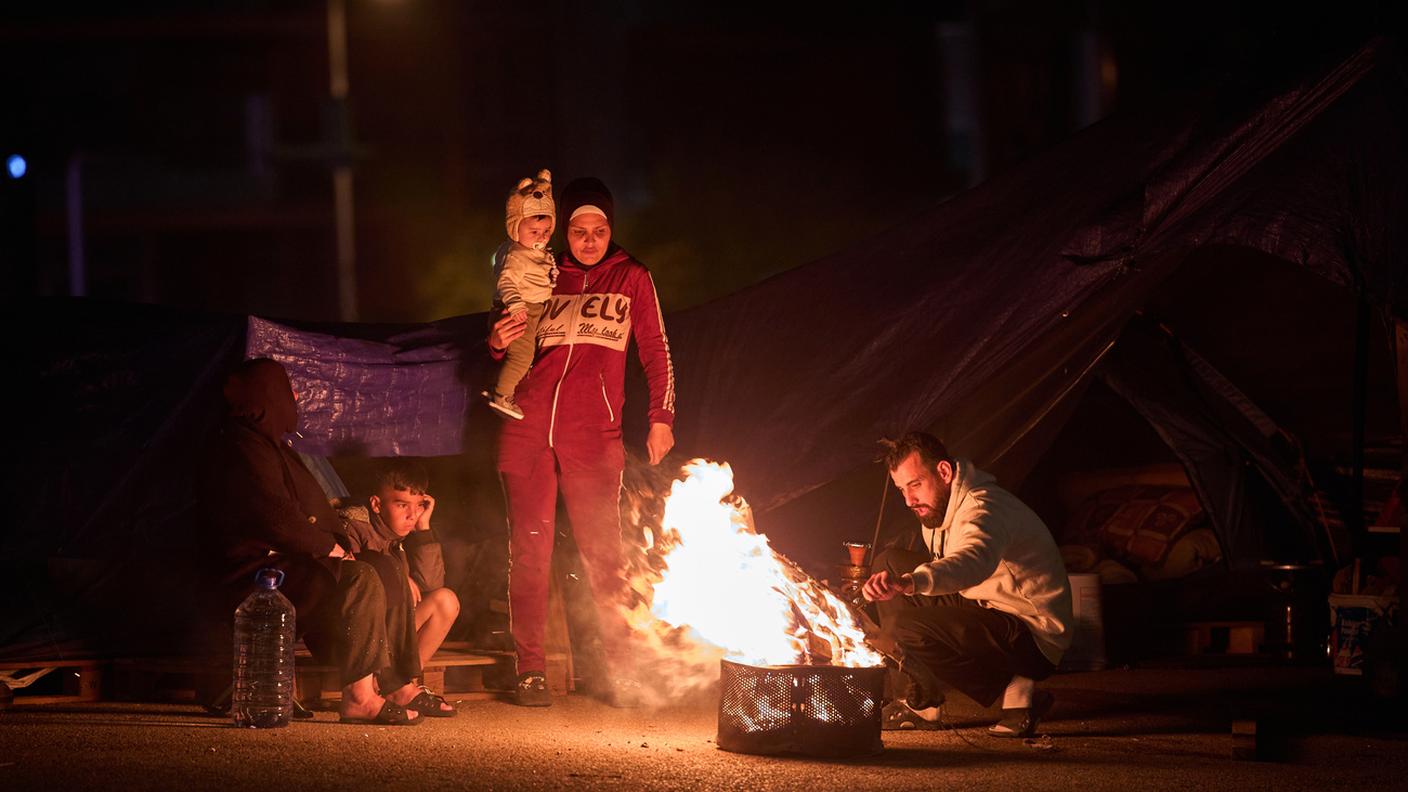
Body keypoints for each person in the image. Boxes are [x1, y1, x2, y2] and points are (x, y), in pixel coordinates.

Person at [488, 176, 676, 708]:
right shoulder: (539, 270)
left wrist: (661, 417)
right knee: (528, 550)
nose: (589, 240)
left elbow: (656, 349)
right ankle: (529, 670)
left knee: (604, 555)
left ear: (611, 229)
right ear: (563, 228)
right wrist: (495, 342)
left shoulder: (632, 276)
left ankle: (623, 668)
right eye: (578, 229)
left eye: (599, 230)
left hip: (594, 435)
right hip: (526, 427)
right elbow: (506, 340)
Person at [200, 358, 438, 725]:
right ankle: (359, 697)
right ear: (269, 395)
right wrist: (329, 548)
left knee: (385, 567)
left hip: (287, 558)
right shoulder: (241, 445)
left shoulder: (271, 446)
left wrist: (340, 547)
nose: (295, 397)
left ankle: (395, 683)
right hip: (255, 568)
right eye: (287, 390)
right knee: (359, 578)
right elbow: (275, 515)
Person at [862, 431, 1072, 737]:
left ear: (944, 472)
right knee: (887, 563)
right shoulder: (938, 506)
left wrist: (911, 582)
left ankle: (1016, 686)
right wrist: (897, 580)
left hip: (1033, 632)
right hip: (986, 605)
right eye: (901, 489)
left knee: (903, 627)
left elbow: (972, 562)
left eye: (916, 484)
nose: (909, 500)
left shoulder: (983, 509)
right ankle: (922, 700)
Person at [336, 460, 461, 684]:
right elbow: (351, 586)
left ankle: (402, 685)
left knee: (445, 600)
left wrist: (423, 529)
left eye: (419, 505)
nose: (412, 515)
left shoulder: (397, 535)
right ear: (376, 504)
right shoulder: (352, 526)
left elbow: (431, 585)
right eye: (402, 505)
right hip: (350, 633)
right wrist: (398, 576)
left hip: (388, 630)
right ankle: (385, 686)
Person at [486, 169, 559, 420]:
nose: (541, 236)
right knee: (522, 354)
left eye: (546, 231)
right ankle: (502, 395)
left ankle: (502, 389)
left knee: (527, 353)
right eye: (534, 232)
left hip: (533, 307)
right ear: (516, 228)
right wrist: (516, 305)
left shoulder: (536, 252)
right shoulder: (516, 254)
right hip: (520, 309)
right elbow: (506, 281)